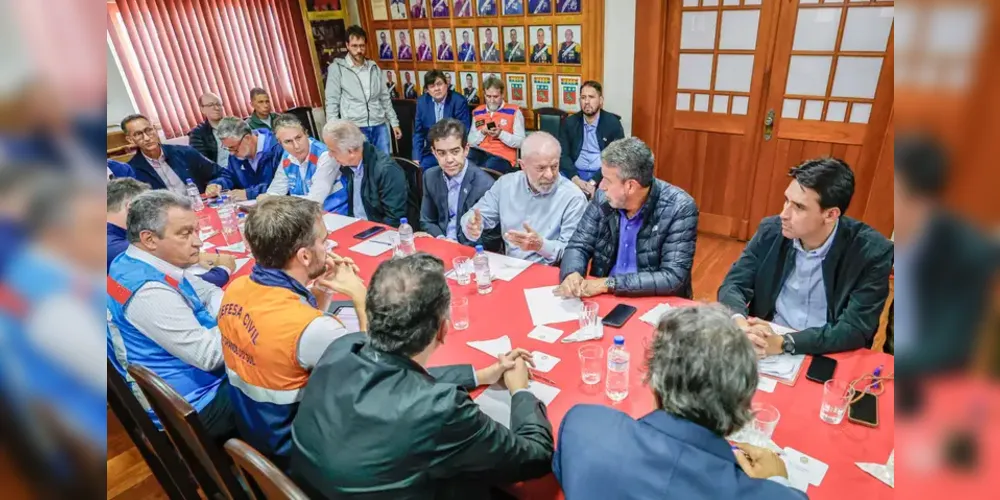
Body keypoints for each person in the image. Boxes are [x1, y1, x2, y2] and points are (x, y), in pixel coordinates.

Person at [290, 254, 554, 498]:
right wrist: (521, 391)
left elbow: (395, 374)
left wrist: (481, 375)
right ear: (442, 330)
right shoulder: (441, 409)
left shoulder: (341, 348)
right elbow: (535, 457)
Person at [554, 306, 807, 500]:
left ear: (653, 381)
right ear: (743, 403)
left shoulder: (581, 427)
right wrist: (779, 482)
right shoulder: (775, 494)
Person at [219, 197, 367, 464]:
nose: (329, 247)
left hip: (255, 431)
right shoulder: (314, 330)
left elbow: (288, 329)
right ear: (305, 255)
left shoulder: (236, 288)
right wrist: (359, 295)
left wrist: (322, 288)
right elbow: (375, 374)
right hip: (297, 449)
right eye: (323, 241)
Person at [718, 158, 894, 356]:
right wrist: (742, 325)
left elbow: (855, 329)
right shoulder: (771, 230)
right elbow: (733, 284)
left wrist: (785, 343)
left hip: (828, 347)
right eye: (786, 200)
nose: (783, 214)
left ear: (830, 214)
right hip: (768, 336)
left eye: (799, 207)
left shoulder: (872, 252)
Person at [107, 191, 236, 439]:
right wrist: (243, 317)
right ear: (150, 239)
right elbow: (209, 356)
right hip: (192, 409)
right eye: (185, 233)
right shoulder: (148, 291)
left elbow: (209, 291)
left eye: (195, 231)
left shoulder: (136, 260)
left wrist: (228, 312)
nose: (198, 242)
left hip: (190, 386)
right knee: (281, 379)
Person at [892, 135, 999, 374]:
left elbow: (947, 349)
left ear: (922, 202)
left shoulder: (965, 254)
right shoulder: (897, 241)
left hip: (931, 380)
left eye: (894, 195)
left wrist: (888, 367)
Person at [557, 137, 698, 298]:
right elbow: (578, 245)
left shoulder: (679, 207)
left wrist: (609, 284)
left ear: (630, 186)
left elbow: (673, 278)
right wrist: (572, 273)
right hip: (603, 295)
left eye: (607, 180)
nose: (601, 186)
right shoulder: (603, 198)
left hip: (652, 299)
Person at [461, 132, 587, 264]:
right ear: (523, 166)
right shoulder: (506, 185)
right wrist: (471, 225)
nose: (550, 175)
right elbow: (474, 217)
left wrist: (540, 246)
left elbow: (573, 253)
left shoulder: (573, 197)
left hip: (550, 271)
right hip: (509, 267)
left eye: (554, 166)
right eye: (541, 168)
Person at [107, 178, 233, 286]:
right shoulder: (115, 247)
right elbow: (180, 285)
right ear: (131, 208)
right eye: (152, 210)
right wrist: (223, 270)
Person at [418, 119, 500, 250]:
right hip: (440, 244)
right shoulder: (430, 176)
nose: (449, 159)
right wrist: (442, 240)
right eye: (442, 153)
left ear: (466, 150)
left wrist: (458, 247)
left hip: (470, 251)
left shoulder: (486, 184)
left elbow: (492, 239)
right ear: (434, 152)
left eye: (455, 151)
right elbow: (427, 220)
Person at [325, 25, 402, 155]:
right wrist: (332, 131)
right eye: (355, 46)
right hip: (354, 127)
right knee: (362, 164)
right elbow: (332, 101)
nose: (359, 50)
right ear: (347, 45)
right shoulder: (337, 68)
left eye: (362, 46)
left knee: (384, 162)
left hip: (379, 124)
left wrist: (394, 122)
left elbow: (384, 97)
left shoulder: (374, 67)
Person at [322, 119, 408, 227]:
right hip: (356, 226)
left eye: (333, 151)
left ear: (351, 151)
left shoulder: (386, 170)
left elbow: (394, 219)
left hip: (380, 232)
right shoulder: (347, 166)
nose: (330, 155)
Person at [264, 114, 348, 214]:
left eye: (298, 137)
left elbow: (314, 201)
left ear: (306, 134)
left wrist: (276, 202)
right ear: (280, 143)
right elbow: (275, 191)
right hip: (305, 217)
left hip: (337, 215)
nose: (296, 146)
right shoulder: (287, 156)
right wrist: (268, 200)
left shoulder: (325, 155)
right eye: (288, 141)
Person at [121, 114, 223, 196]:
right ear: (130, 139)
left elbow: (221, 173)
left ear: (154, 130)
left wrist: (215, 184)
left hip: (200, 208)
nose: (147, 138)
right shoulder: (132, 171)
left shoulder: (185, 153)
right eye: (138, 134)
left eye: (149, 130)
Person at [558, 81, 625, 194]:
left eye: (591, 97)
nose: (587, 102)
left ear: (601, 100)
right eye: (583, 97)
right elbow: (563, 154)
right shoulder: (569, 123)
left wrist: (594, 182)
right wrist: (575, 179)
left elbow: (616, 159)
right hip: (574, 173)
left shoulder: (612, 123)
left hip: (602, 174)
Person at [208, 117, 284, 201]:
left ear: (247, 138)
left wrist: (249, 193)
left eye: (233, 147)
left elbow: (282, 185)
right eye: (227, 148)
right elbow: (230, 175)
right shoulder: (235, 154)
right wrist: (218, 184)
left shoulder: (277, 148)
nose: (231, 153)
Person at [413, 70, 472, 170]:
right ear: (427, 90)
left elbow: (464, 130)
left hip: (453, 151)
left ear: (446, 84)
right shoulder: (422, 103)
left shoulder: (458, 101)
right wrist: (416, 157)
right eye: (432, 86)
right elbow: (418, 133)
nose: (437, 89)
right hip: (432, 152)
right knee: (420, 170)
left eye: (439, 84)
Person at [468, 76, 525, 172]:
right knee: (465, 160)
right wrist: (482, 132)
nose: (491, 100)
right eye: (488, 96)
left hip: (502, 157)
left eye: (495, 96)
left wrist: (500, 134)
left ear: (502, 94)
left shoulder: (514, 111)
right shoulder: (477, 112)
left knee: (489, 166)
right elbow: (470, 141)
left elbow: (521, 142)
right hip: (481, 153)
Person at [188, 92, 230, 166]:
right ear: (202, 109)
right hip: (222, 173)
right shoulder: (197, 134)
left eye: (218, 104)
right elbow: (202, 164)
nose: (216, 108)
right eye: (210, 105)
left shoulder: (236, 124)